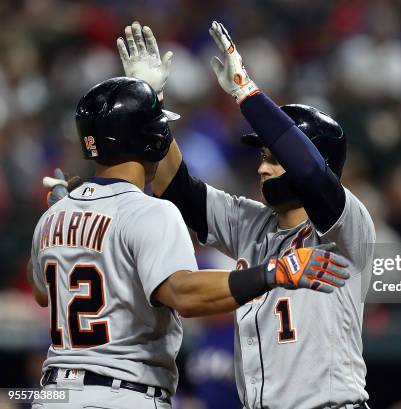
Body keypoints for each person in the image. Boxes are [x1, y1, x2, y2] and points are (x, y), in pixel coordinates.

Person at [28, 76, 350, 409]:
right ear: (154, 140)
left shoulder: (54, 215)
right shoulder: (151, 212)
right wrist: (271, 272)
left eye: (274, 158)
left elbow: (43, 291)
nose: (262, 168)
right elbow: (183, 293)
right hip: (123, 393)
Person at [115, 21, 375, 409]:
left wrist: (245, 91)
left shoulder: (347, 228)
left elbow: (307, 172)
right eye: (262, 158)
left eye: (273, 159)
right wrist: (150, 104)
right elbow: (176, 188)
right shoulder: (252, 224)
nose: (262, 168)